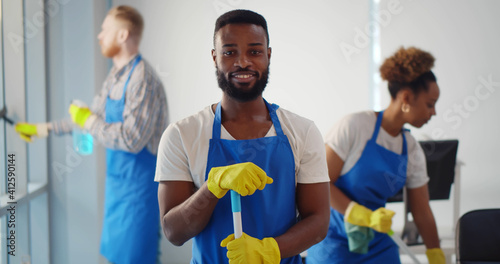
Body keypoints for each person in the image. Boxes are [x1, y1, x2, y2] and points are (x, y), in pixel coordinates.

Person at [155, 9, 330, 264]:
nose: (243, 62)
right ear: (215, 58)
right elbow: (174, 232)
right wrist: (211, 188)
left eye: (255, 51)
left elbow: (318, 222)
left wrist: (268, 251)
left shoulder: (302, 131)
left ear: (268, 55)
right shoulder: (181, 135)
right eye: (229, 52)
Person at [14, 5, 168, 264]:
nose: (99, 35)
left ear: (122, 35)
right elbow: (89, 118)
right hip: (118, 190)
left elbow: (131, 140)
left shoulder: (143, 79)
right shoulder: (115, 77)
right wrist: (44, 129)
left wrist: (89, 120)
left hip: (139, 194)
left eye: (105, 29)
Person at [306, 46, 445, 264]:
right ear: (407, 97)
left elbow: (422, 211)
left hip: (377, 241)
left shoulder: (411, 149)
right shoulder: (355, 126)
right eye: (430, 104)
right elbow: (320, 182)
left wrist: (435, 253)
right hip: (335, 239)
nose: (433, 113)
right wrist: (358, 213)